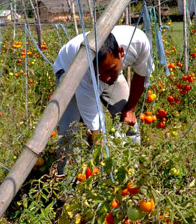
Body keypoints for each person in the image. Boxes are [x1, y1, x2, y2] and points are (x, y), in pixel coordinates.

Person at [53, 25, 153, 172]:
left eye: (110, 69)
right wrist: (102, 162)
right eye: (101, 73)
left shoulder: (138, 42)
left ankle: (132, 173)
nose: (106, 78)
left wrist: (130, 109)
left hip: (101, 70)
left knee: (129, 124)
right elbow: (96, 127)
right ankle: (66, 185)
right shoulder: (86, 75)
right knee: (68, 134)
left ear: (121, 52)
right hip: (69, 71)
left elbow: (141, 74)